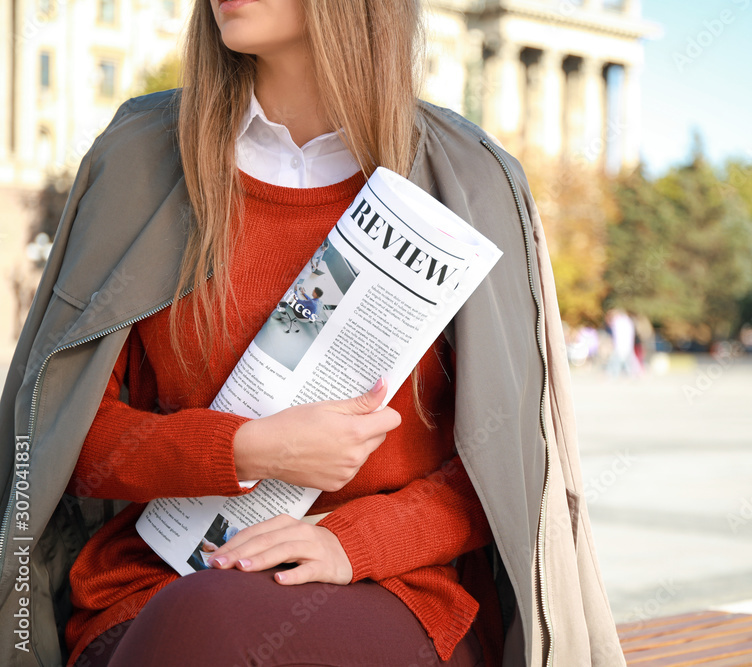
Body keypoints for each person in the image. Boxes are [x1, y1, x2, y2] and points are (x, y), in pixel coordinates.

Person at [0, 1, 625, 666]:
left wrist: (352, 541)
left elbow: (508, 469)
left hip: (392, 591)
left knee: (212, 619)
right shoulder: (139, 160)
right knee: (200, 618)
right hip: (154, 589)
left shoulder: (468, 180)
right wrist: (244, 450)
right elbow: (64, 435)